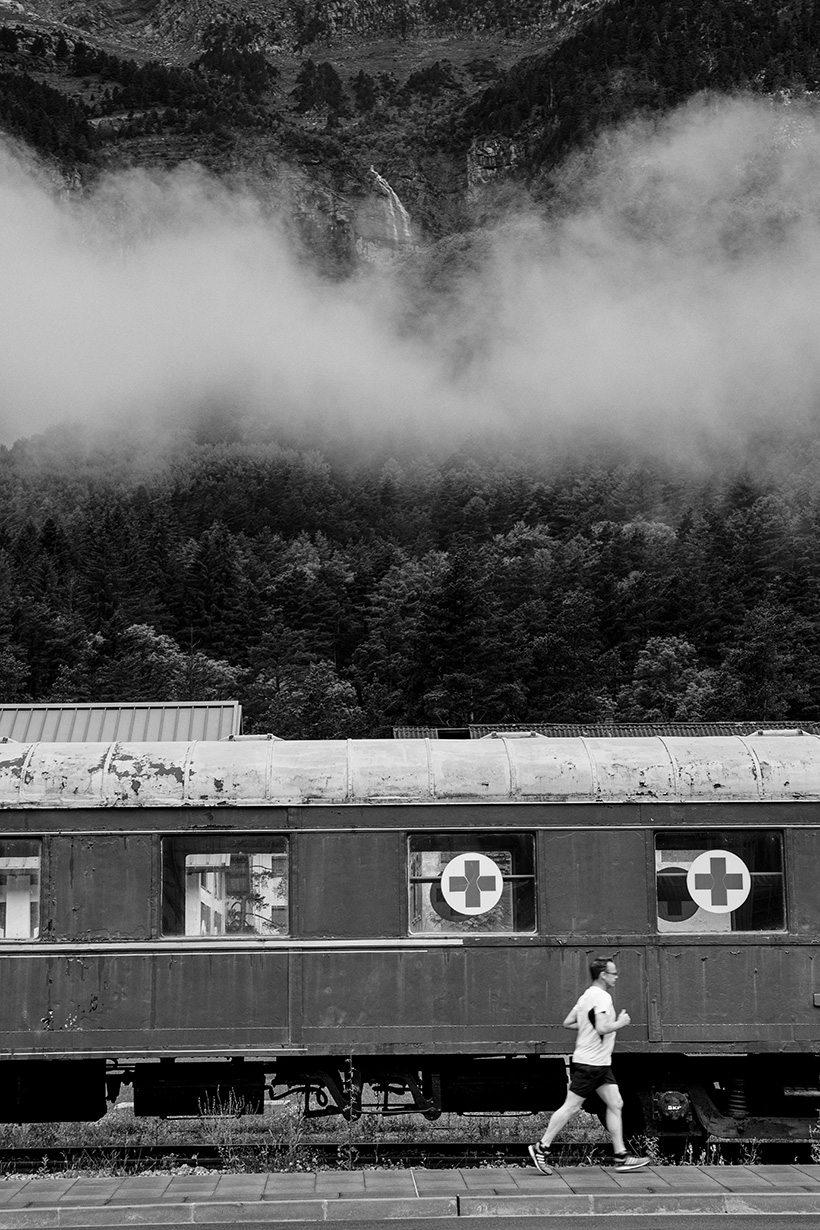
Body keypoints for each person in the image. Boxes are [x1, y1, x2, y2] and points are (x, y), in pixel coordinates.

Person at [528, 957, 649, 1174]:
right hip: (590, 1064)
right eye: (613, 973)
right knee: (571, 1107)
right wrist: (620, 1023)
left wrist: (587, 1027)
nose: (616, 977)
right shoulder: (601, 997)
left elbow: (568, 1022)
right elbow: (602, 1028)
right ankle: (541, 1147)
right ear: (603, 975)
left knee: (616, 1103)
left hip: (599, 1063)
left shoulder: (586, 996)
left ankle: (621, 1155)